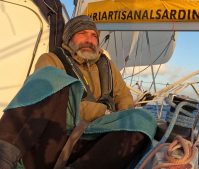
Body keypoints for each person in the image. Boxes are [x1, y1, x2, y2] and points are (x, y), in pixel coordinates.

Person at [0, 15, 156, 169]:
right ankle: (4, 157)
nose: (89, 39)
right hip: (59, 133)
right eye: (82, 33)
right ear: (69, 38)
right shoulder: (51, 60)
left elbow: (124, 97)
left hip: (97, 134)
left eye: (93, 35)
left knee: (143, 119)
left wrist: (122, 118)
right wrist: (105, 112)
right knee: (49, 78)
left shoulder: (107, 65)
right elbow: (58, 103)